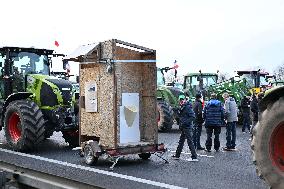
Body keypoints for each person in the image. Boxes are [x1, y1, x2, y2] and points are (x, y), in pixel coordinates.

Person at [172, 94, 198, 161]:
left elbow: (193, 117)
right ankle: (177, 155)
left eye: (182, 100)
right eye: (180, 100)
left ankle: (194, 157)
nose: (181, 101)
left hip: (187, 127)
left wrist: (185, 122)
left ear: (185, 100)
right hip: (184, 127)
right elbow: (182, 116)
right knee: (181, 141)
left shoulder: (187, 107)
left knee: (190, 142)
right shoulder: (183, 107)